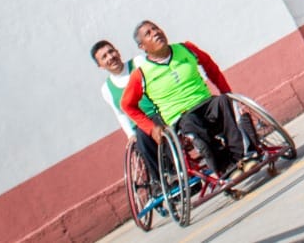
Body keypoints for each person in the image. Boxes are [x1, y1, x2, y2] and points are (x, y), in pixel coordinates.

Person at [121, 21, 255, 182]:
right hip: (180, 117)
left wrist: (227, 93)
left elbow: (211, 67)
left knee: (225, 102)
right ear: (142, 46)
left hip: (205, 102)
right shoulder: (141, 74)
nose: (155, 33)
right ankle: (226, 168)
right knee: (192, 124)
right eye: (148, 33)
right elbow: (127, 105)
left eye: (156, 28)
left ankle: (243, 157)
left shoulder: (186, 49)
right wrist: (150, 128)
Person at [92, 40, 161, 194]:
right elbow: (120, 113)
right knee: (141, 137)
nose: (110, 57)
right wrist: (130, 135)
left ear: (118, 51)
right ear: (100, 65)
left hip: (158, 112)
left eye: (111, 52)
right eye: (104, 57)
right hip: (140, 124)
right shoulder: (106, 89)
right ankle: (160, 179)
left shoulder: (138, 62)